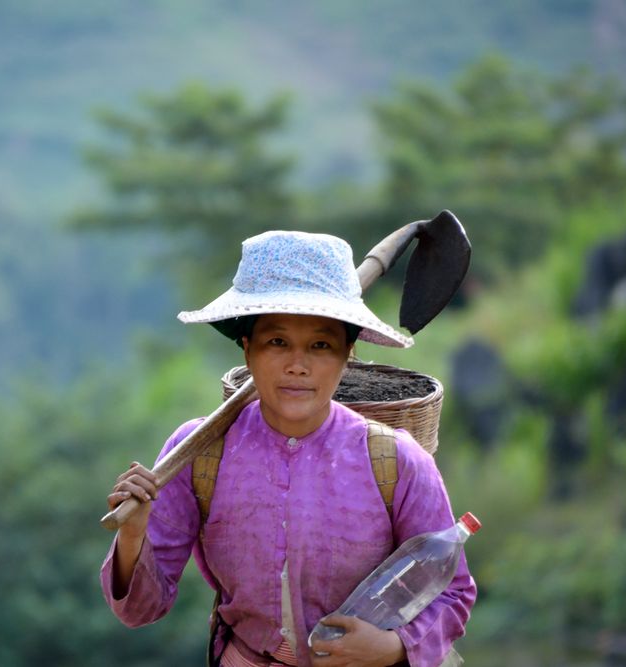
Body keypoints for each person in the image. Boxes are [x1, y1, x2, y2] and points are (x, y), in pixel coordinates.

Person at [100, 230, 476, 667]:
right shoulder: (197, 453)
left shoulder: (397, 461)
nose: (298, 365)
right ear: (247, 348)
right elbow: (141, 609)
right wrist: (133, 536)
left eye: (320, 345)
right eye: (277, 342)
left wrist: (392, 647)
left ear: (347, 355)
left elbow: (452, 592)